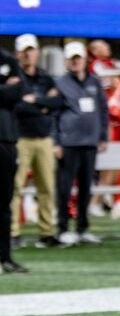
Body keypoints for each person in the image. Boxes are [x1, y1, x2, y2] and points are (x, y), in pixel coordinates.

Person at [54, 41, 109, 247]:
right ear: (67, 61)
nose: (76, 61)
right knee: (64, 188)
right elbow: (54, 115)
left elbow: (103, 110)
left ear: (85, 60)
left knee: (86, 187)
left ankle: (83, 227)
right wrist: (56, 141)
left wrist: (103, 136)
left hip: (90, 142)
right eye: (72, 58)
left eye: (79, 57)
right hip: (68, 143)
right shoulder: (60, 83)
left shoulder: (94, 82)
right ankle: (62, 229)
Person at [11, 34, 63, 249]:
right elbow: (16, 105)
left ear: (37, 52)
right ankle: (12, 232)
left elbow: (57, 102)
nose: (27, 54)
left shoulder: (45, 77)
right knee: (14, 187)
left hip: (44, 138)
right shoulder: (13, 78)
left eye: (30, 50)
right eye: (23, 50)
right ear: (17, 53)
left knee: (47, 187)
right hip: (19, 138)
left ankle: (47, 231)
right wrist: (42, 105)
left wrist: (36, 101)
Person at [0, 44, 29, 274]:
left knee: (5, 201)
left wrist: (9, 90)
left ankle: (5, 257)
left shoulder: (8, 59)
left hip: (6, 138)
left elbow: (20, 92)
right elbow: (10, 93)